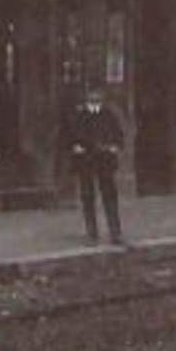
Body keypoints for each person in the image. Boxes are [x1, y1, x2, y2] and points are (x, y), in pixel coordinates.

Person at [67, 85, 126, 245]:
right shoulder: (79, 115)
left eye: (97, 94)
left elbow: (119, 135)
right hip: (86, 161)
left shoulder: (109, 115)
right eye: (91, 95)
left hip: (105, 161)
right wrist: (75, 147)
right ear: (87, 97)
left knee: (110, 196)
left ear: (102, 96)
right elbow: (69, 136)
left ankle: (115, 233)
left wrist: (115, 146)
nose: (94, 97)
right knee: (87, 197)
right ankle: (92, 234)